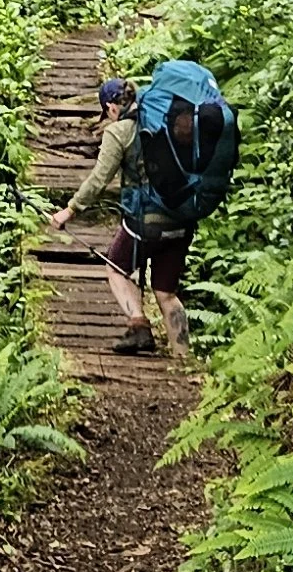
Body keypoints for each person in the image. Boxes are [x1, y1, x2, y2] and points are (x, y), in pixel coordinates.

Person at [106, 58, 238, 359]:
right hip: (185, 215)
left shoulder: (141, 124)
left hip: (150, 215)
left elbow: (103, 176)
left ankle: (139, 325)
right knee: (166, 292)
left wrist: (70, 210)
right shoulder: (191, 142)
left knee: (116, 267)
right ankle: (183, 358)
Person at [48, 75, 136, 236]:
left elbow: (100, 177)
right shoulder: (158, 119)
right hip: (180, 211)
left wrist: (71, 209)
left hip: (144, 215)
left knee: (118, 259)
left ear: (112, 108)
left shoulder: (119, 131)